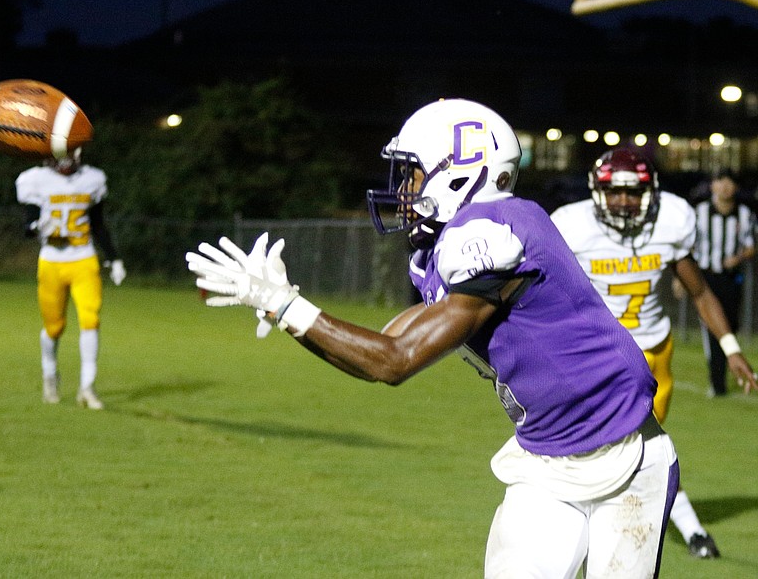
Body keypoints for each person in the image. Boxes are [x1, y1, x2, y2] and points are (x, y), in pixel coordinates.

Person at [187, 99, 683, 578]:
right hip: (544, 462)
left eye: (414, 173)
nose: (403, 190)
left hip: (625, 455)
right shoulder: (445, 249)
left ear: (462, 171)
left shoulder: (494, 233)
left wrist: (285, 306)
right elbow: (381, 347)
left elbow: (394, 361)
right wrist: (287, 305)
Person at [550, 148, 758, 560]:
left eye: (633, 192)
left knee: (639, 448)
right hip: (595, 355)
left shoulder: (670, 221)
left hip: (651, 356)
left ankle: (629, 531)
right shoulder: (573, 227)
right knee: (624, 446)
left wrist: (730, 347)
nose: (624, 201)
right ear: (597, 192)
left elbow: (699, 292)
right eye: (614, 192)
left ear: (651, 193)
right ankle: (691, 531)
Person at [15, 148, 126, 410]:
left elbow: (98, 224)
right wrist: (35, 227)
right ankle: (50, 373)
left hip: (83, 258)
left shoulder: (92, 179)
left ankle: (87, 387)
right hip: (52, 261)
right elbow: (28, 226)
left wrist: (114, 257)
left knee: (91, 319)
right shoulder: (36, 179)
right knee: (54, 327)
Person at [693, 168, 756, 397]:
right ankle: (717, 382)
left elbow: (751, 246)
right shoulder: (700, 212)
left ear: (736, 187)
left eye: (729, 182)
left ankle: (727, 371)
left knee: (730, 326)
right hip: (705, 276)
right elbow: (688, 245)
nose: (725, 187)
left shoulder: (745, 214)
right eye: (720, 181)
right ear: (712, 186)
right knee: (712, 328)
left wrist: (738, 258)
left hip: (731, 279)